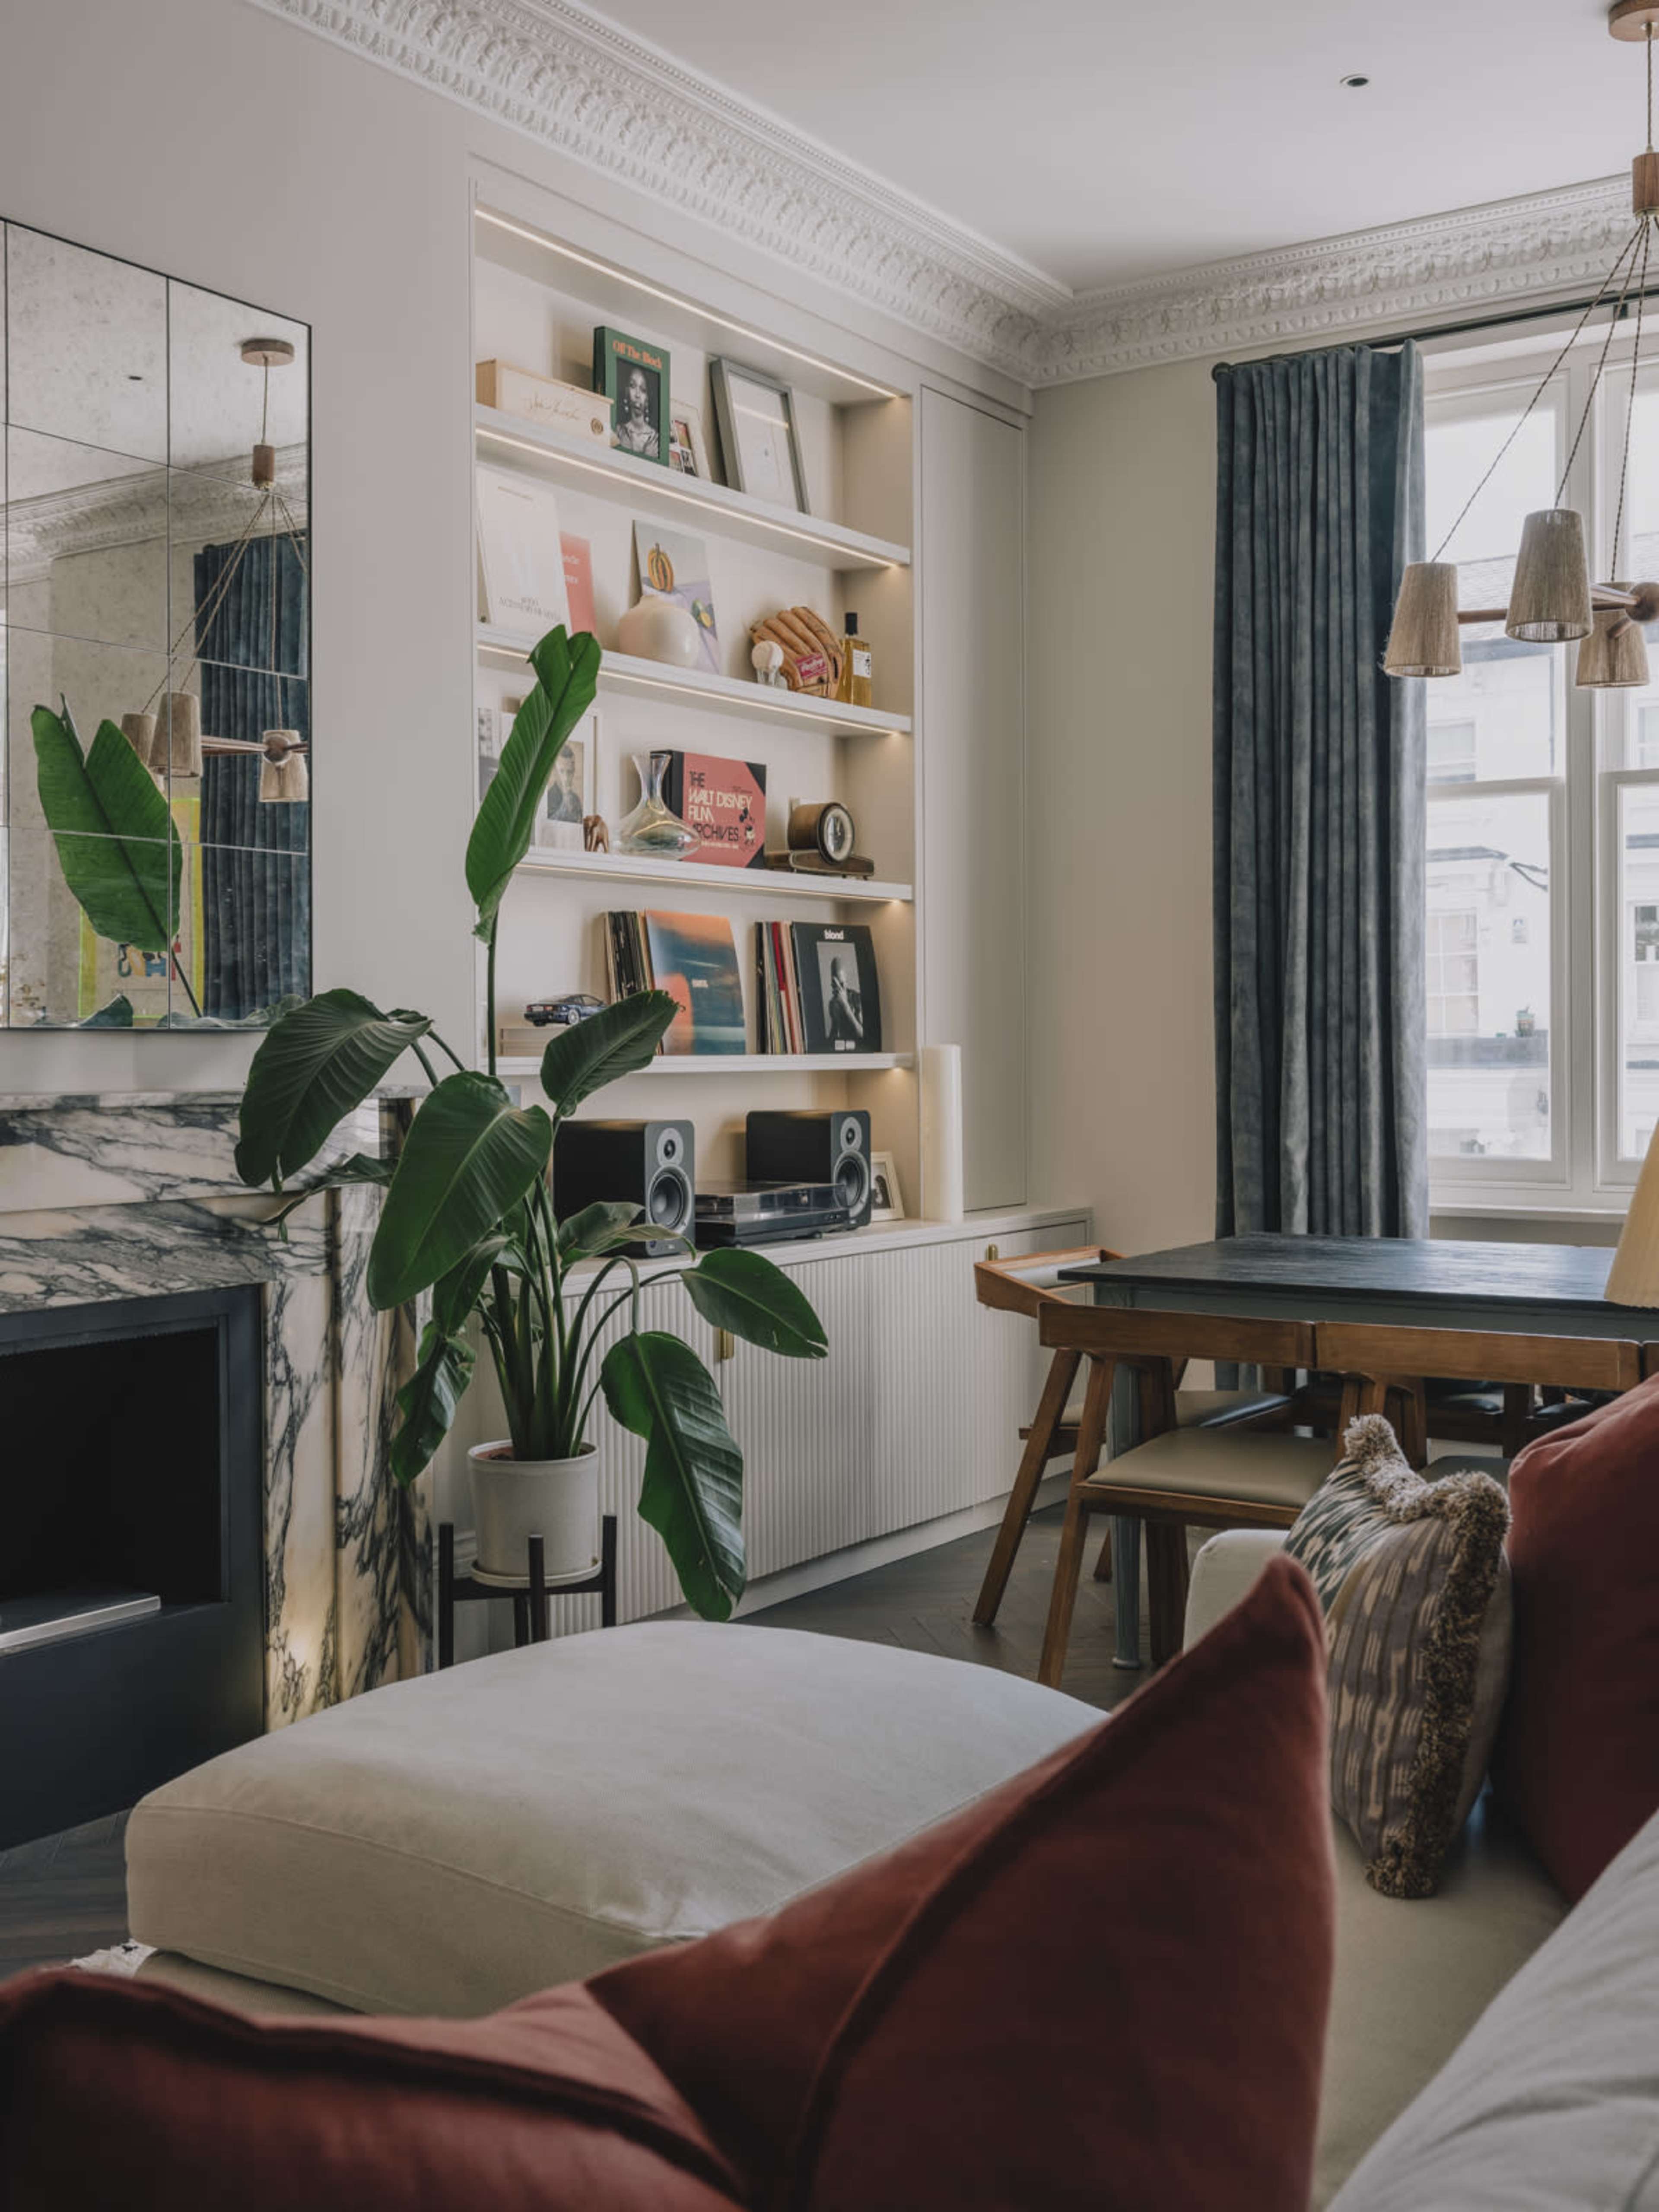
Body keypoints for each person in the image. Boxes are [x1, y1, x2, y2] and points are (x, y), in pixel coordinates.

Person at [616, 363, 658, 457]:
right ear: (627, 391)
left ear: (648, 398)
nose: (637, 395)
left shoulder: (655, 438)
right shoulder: (619, 431)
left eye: (643, 390)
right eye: (633, 386)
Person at [825, 953, 863, 1047]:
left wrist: (845, 1006)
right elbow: (835, 1031)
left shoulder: (857, 999)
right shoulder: (833, 1004)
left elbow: (862, 1034)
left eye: (842, 984)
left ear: (846, 982)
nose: (840, 989)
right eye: (835, 985)